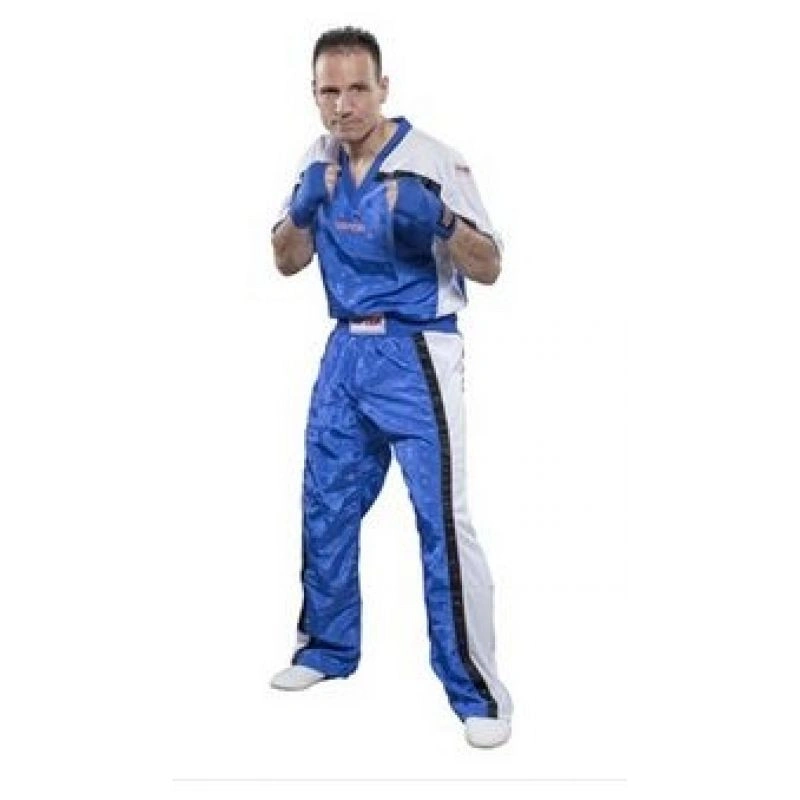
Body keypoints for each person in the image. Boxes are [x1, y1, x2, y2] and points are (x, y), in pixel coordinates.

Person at [269, 26, 513, 749]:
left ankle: (477, 692)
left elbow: (490, 265)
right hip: (345, 350)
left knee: (441, 521)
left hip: (417, 351)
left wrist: (441, 220)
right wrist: (301, 211)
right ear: (314, 94)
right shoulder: (316, 158)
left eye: (356, 89)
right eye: (329, 91)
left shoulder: (433, 158)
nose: (343, 105)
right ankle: (325, 648)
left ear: (383, 88)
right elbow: (285, 259)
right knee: (325, 504)